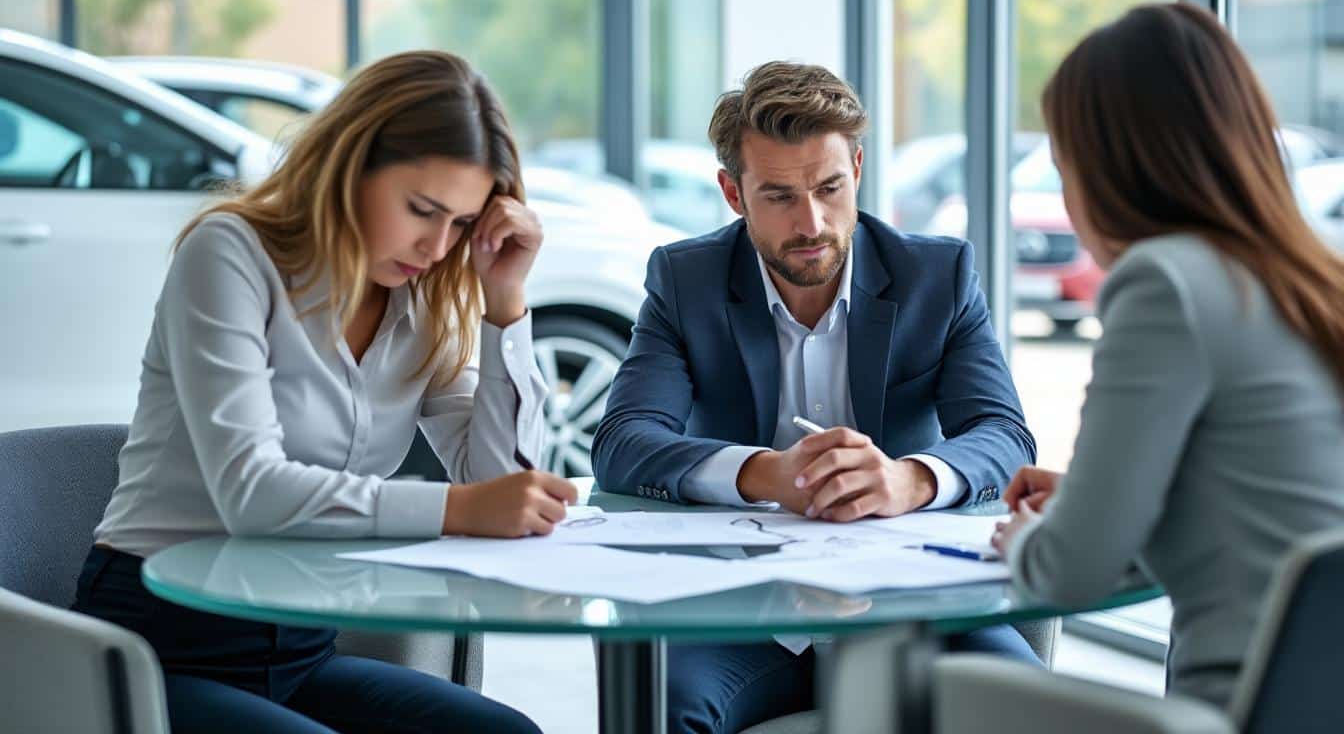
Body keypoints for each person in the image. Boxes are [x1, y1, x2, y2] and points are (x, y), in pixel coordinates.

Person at [70, 50, 578, 733]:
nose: (436, 246)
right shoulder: (230, 254)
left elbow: (499, 482)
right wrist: (460, 508)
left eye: (461, 223)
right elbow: (252, 493)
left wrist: (506, 305)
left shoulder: (419, 298)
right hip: (159, 646)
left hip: (300, 648)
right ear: (350, 166)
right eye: (422, 209)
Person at [592, 60, 1039, 734]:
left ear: (857, 167)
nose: (811, 222)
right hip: (738, 607)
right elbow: (624, 442)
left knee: (1030, 705)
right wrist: (764, 473)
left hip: (911, 599)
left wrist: (908, 479)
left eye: (830, 187)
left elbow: (1003, 435)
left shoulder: (937, 275)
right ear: (733, 193)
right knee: (662, 710)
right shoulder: (686, 280)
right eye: (778, 196)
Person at [991, 2, 1344, 710]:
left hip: (1235, 709)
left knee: (920, 699)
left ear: (1112, 168)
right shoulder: (1312, 277)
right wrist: (1099, 499)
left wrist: (1030, 537)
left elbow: (1069, 573)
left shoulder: (1165, 284)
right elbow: (1268, 509)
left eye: (1065, 167)